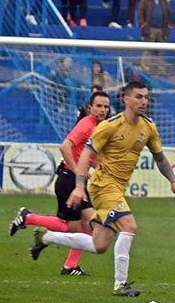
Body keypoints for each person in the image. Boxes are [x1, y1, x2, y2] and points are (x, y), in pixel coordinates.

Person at [30, 82, 175, 296]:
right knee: (129, 226)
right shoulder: (109, 126)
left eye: (146, 97)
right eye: (139, 97)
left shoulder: (148, 127)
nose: (144, 101)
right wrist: (79, 187)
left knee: (100, 244)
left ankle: (46, 238)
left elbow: (159, 157)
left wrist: (174, 181)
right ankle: (120, 284)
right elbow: (86, 153)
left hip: (117, 187)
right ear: (126, 99)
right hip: (103, 185)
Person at [10, 91, 111, 276]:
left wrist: (101, 167)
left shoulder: (98, 126)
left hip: (73, 179)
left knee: (87, 226)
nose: (102, 110)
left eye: (106, 106)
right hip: (69, 180)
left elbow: (84, 154)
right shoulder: (86, 124)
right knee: (77, 228)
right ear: (90, 107)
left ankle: (69, 265)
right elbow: (65, 146)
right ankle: (31, 220)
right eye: (98, 106)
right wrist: (78, 170)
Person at [138, 0, 173, 74]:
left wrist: (168, 28)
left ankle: (160, 69)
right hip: (150, 29)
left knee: (160, 52)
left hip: (162, 29)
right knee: (147, 51)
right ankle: (145, 69)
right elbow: (140, 13)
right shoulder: (145, 0)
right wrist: (143, 25)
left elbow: (169, 15)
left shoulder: (164, 1)